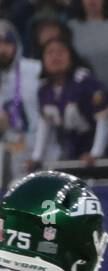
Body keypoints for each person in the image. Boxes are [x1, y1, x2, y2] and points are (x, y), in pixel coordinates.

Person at [31, 36, 108, 168]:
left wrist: (96, 153)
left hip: (103, 150)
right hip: (71, 151)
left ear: (71, 56)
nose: (55, 57)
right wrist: (37, 157)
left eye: (60, 52)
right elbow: (45, 125)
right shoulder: (43, 90)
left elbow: (104, 119)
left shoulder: (86, 82)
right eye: (50, 53)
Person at [0, 20, 44, 184]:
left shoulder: (35, 69)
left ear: (16, 44)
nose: (2, 49)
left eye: (6, 43)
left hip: (38, 145)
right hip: (5, 151)